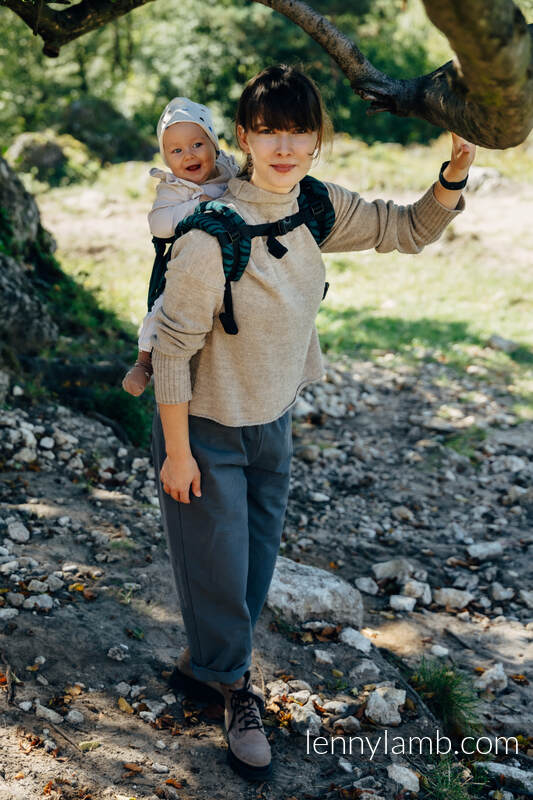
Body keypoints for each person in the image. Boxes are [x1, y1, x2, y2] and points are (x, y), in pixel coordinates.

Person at [150, 65, 476, 782]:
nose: (284, 146)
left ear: (317, 140)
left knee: (252, 569)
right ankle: (235, 690)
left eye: (298, 131)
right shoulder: (210, 237)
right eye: (268, 131)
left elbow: (406, 229)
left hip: (274, 422)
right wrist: (177, 453)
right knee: (219, 565)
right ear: (243, 137)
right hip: (204, 428)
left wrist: (450, 176)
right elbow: (171, 350)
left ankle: (206, 664)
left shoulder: (314, 206)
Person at [122, 96, 239, 396]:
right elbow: (159, 223)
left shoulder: (230, 172)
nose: (188, 155)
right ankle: (144, 361)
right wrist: (198, 206)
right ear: (167, 159)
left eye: (197, 145)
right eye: (176, 150)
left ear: (213, 143)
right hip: (184, 263)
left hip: (230, 259)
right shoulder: (174, 188)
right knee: (163, 307)